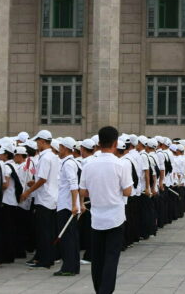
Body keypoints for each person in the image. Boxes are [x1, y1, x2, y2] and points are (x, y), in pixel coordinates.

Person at [80, 126, 133, 294]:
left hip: (96, 218)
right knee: (111, 258)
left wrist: (97, 191)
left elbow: (83, 191)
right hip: (115, 217)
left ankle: (99, 289)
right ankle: (105, 291)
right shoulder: (121, 164)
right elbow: (127, 191)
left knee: (98, 258)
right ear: (115, 143)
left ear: (98, 143)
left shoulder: (89, 164)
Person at [21, 130, 59, 270]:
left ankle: (45, 260)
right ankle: (47, 258)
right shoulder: (53, 156)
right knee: (48, 231)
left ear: (43, 142)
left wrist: (28, 192)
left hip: (44, 199)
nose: (36, 144)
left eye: (38, 141)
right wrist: (34, 183)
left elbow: (43, 179)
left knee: (43, 232)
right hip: (51, 197)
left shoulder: (45, 157)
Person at [55, 137, 83, 276]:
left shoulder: (68, 164)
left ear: (65, 148)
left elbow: (74, 184)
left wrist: (74, 205)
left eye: (60, 148)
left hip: (67, 207)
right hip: (67, 205)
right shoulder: (70, 162)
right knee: (71, 237)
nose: (58, 150)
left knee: (68, 238)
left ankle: (69, 267)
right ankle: (72, 266)